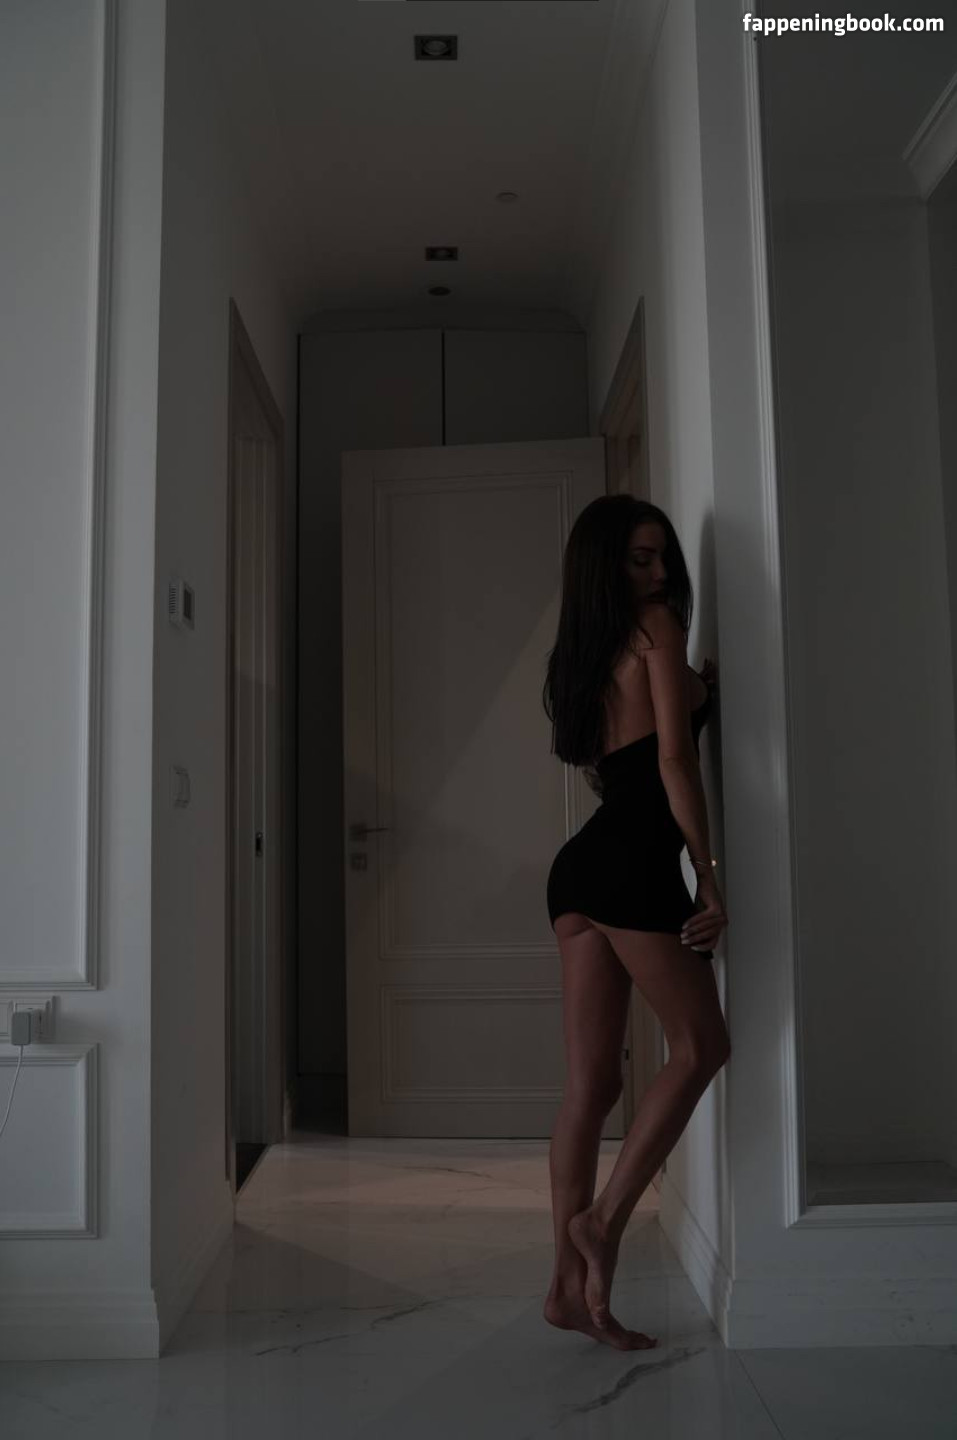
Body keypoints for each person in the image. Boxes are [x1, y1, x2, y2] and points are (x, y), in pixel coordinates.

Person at [540, 494, 730, 1351]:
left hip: (579, 873)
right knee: (700, 1045)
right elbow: (673, 761)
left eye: (662, 559)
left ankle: (565, 1291)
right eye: (638, 559)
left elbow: (620, 755)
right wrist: (708, 876)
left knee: (591, 1086)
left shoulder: (585, 650)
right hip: (628, 868)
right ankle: (603, 1220)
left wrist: (697, 689)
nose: (656, 574)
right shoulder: (656, 628)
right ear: (605, 565)